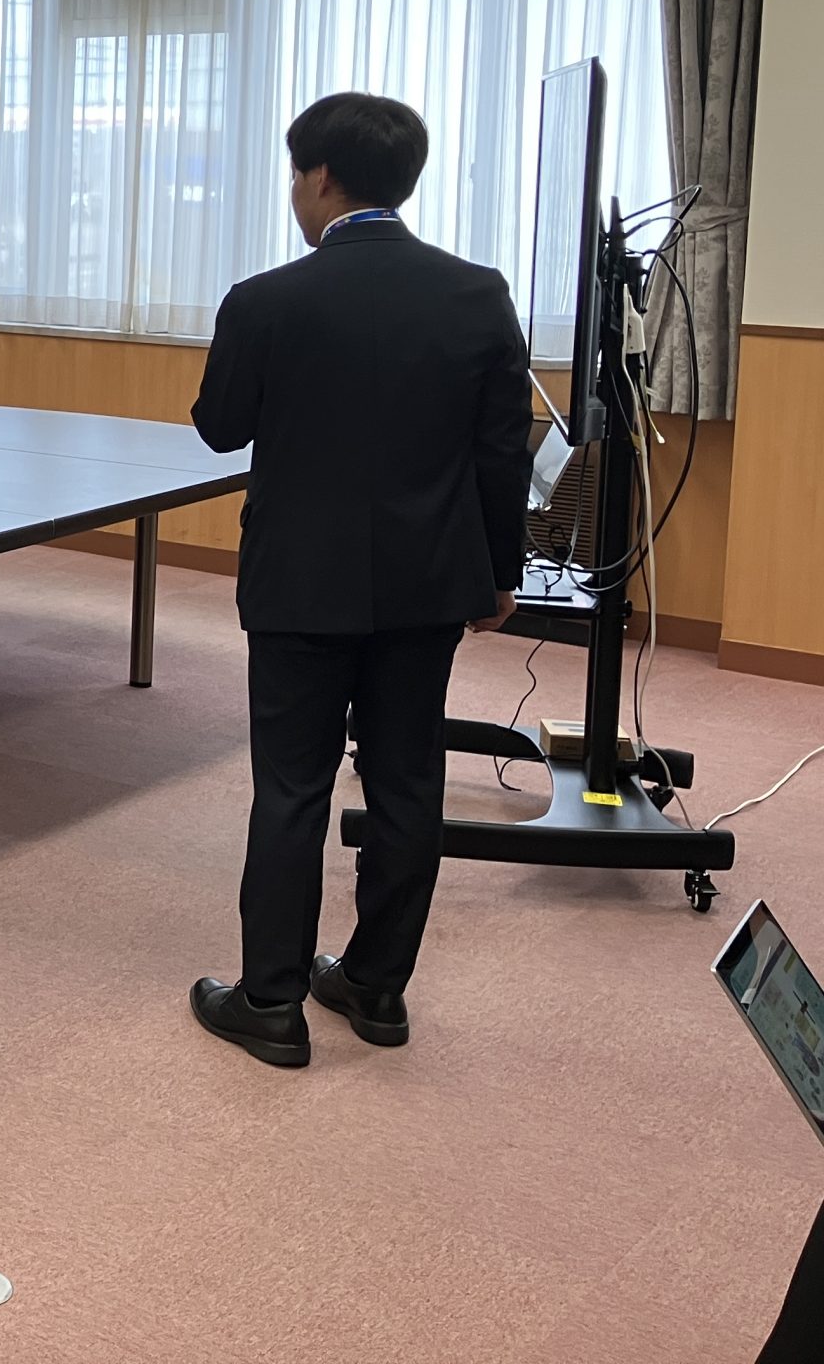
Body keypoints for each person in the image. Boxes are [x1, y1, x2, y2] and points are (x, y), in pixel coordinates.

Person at [185, 94, 529, 1068]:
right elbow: (502, 450)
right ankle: (376, 987)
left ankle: (270, 1002)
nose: (295, 192)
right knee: (407, 779)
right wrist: (498, 573)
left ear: (323, 178)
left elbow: (220, 427)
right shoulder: (477, 294)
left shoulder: (265, 299)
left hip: (299, 580)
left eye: (296, 175)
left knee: (291, 785)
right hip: (429, 582)